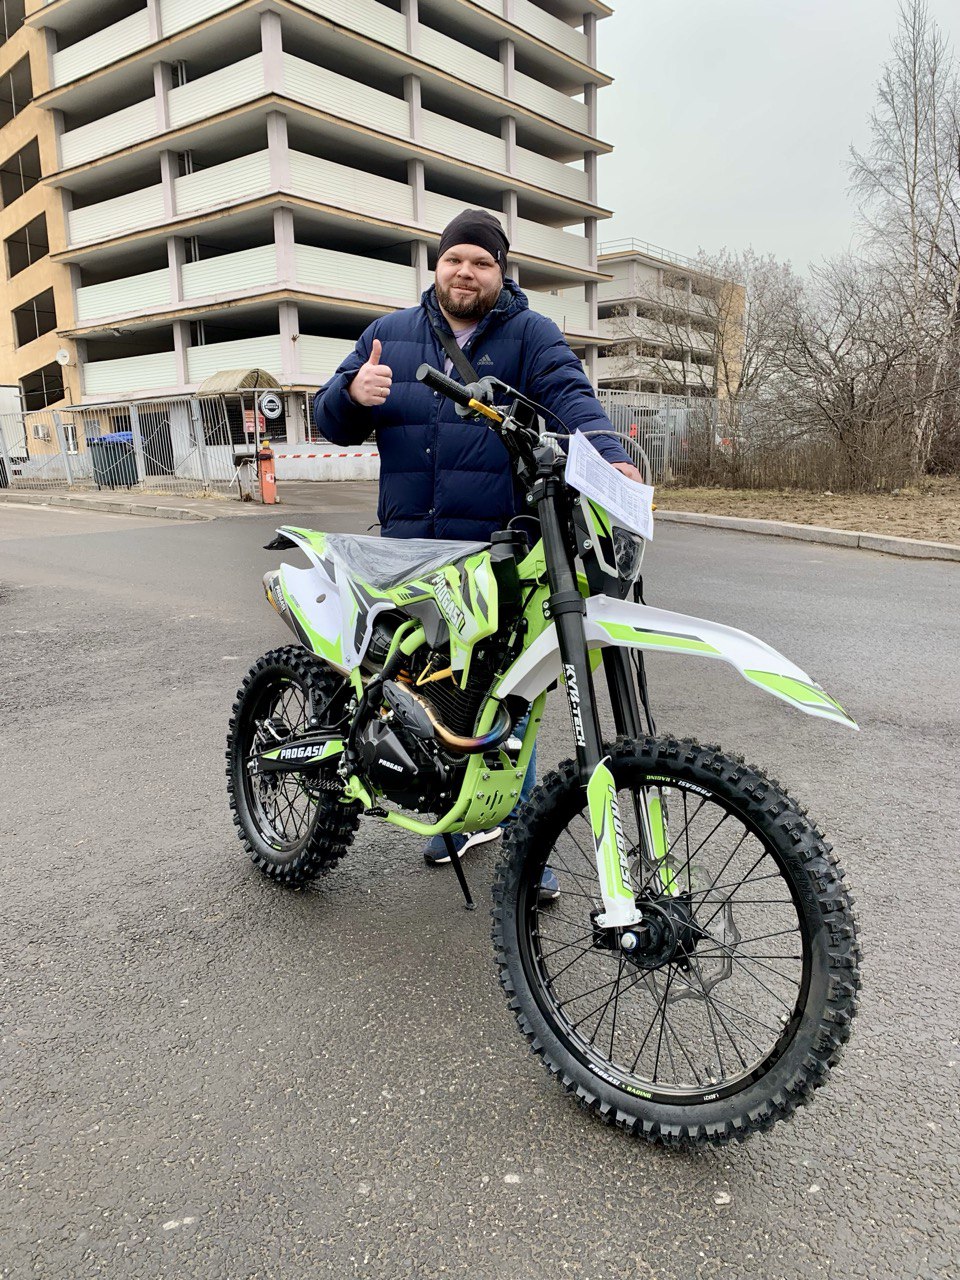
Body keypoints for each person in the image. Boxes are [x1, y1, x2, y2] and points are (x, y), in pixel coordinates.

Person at [313, 209, 641, 897]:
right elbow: (329, 420)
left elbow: (572, 400)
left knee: (507, 705)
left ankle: (524, 851)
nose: (466, 272)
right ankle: (451, 812)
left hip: (500, 555)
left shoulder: (530, 335)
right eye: (454, 259)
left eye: (481, 262)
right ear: (437, 266)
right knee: (427, 691)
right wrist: (350, 393)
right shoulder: (388, 334)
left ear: (501, 271)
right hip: (413, 553)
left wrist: (611, 461)